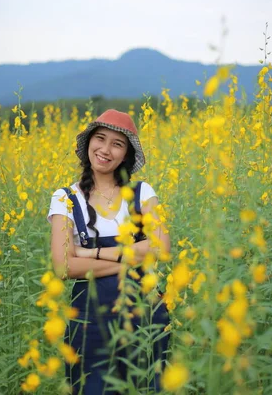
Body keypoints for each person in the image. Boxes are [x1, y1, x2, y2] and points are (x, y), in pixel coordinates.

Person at [47, 109, 171, 394]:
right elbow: (63, 267)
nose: (105, 149)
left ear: (125, 154)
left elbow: (161, 247)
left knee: (148, 387)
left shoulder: (142, 193)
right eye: (100, 139)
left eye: (117, 144)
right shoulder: (65, 198)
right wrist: (133, 258)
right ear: (89, 143)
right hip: (89, 324)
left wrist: (90, 255)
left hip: (147, 318)